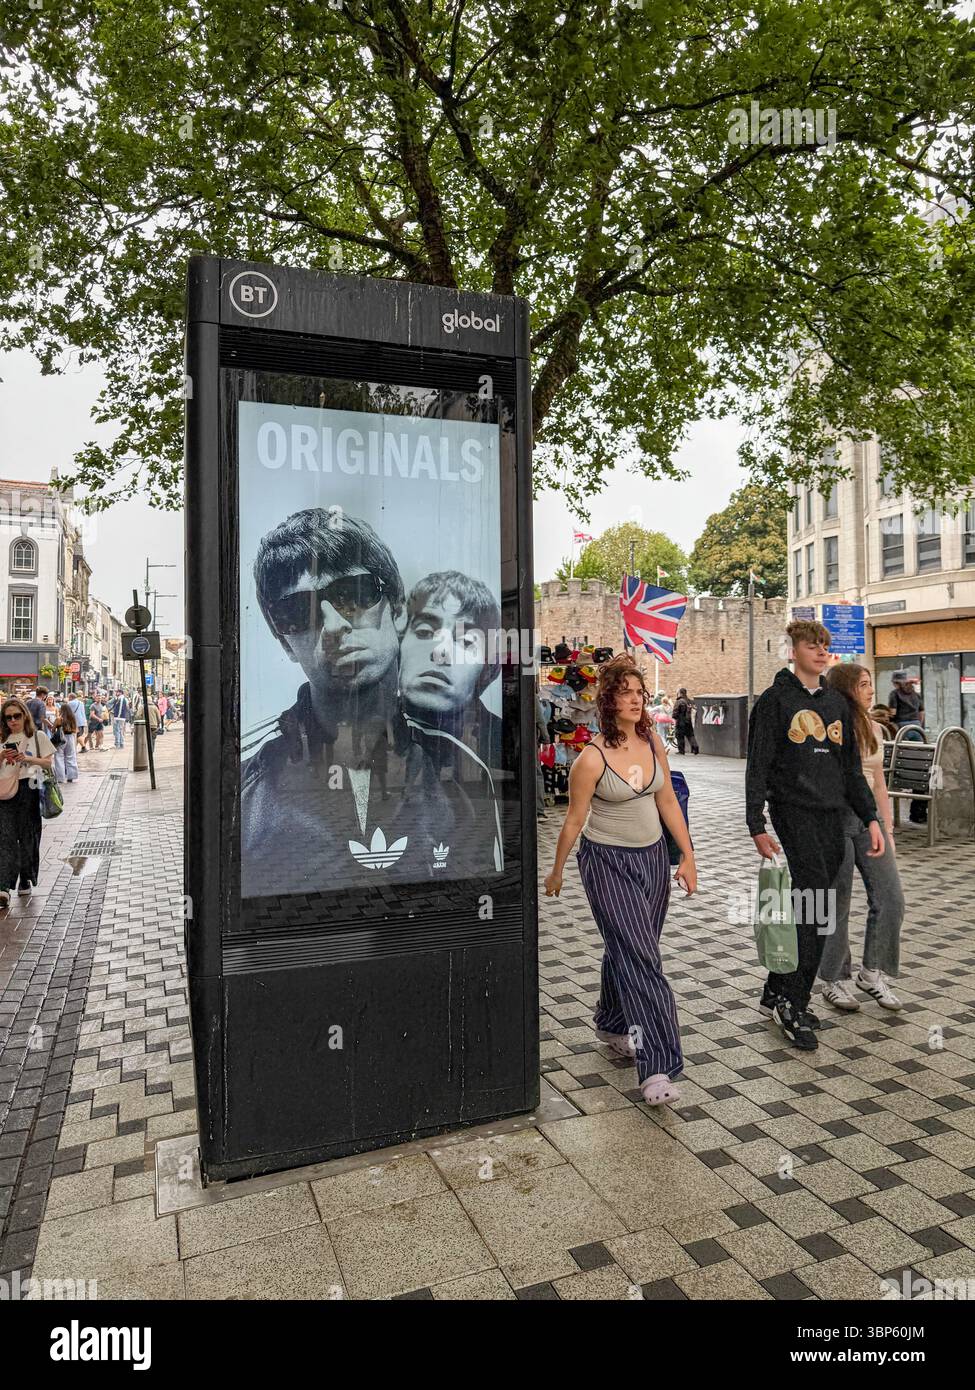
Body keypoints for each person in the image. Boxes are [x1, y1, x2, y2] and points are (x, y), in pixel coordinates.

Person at [240, 508, 502, 896]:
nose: (332, 627)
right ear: (285, 642)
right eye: (298, 612)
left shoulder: (464, 768)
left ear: (397, 610)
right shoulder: (247, 781)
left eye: (353, 595)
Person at [544, 655, 697, 1106]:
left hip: (651, 860)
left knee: (629, 947)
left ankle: (612, 1024)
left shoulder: (652, 742)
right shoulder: (590, 759)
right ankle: (658, 1069)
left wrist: (687, 856)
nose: (636, 699)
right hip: (606, 863)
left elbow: (667, 800)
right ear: (608, 700)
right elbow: (573, 821)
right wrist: (556, 871)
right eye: (626, 692)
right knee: (644, 960)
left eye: (640, 692)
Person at [746, 619, 883, 1052]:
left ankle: (776, 988)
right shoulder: (774, 701)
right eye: (812, 645)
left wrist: (873, 818)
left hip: (832, 816)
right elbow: (758, 766)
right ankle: (793, 1001)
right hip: (793, 813)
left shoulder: (836, 704)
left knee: (815, 907)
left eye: (826, 646)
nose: (822, 652)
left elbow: (850, 772)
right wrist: (757, 825)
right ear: (793, 650)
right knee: (816, 904)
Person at [818, 664, 904, 1013]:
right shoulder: (831, 728)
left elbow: (878, 781)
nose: (871, 691)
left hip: (869, 821)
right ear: (846, 689)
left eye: (871, 684)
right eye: (864, 684)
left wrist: (887, 827)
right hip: (836, 819)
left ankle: (871, 973)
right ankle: (834, 979)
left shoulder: (874, 728)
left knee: (891, 897)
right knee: (837, 902)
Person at [0, 696, 55, 906]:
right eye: (8, 718)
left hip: (30, 789)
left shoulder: (37, 736)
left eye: (16, 716)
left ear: (25, 715)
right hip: (5, 791)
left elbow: (48, 763)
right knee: (5, 838)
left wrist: (27, 758)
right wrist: (2, 756)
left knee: (28, 837)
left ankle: (25, 879)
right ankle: (3, 886)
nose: (12, 721)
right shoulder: (1, 738)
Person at [53, 700, 79, 784]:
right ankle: (71, 776)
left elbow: (53, 729)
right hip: (70, 737)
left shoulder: (59, 719)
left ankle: (60, 778)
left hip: (60, 738)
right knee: (70, 756)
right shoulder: (73, 718)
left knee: (59, 757)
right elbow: (75, 730)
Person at [672, 687, 699, 755]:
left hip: (681, 721)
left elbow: (675, 712)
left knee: (680, 736)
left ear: (680, 693)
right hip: (689, 721)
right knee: (690, 735)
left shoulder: (679, 701)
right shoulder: (690, 701)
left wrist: (675, 717)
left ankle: (681, 751)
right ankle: (695, 748)